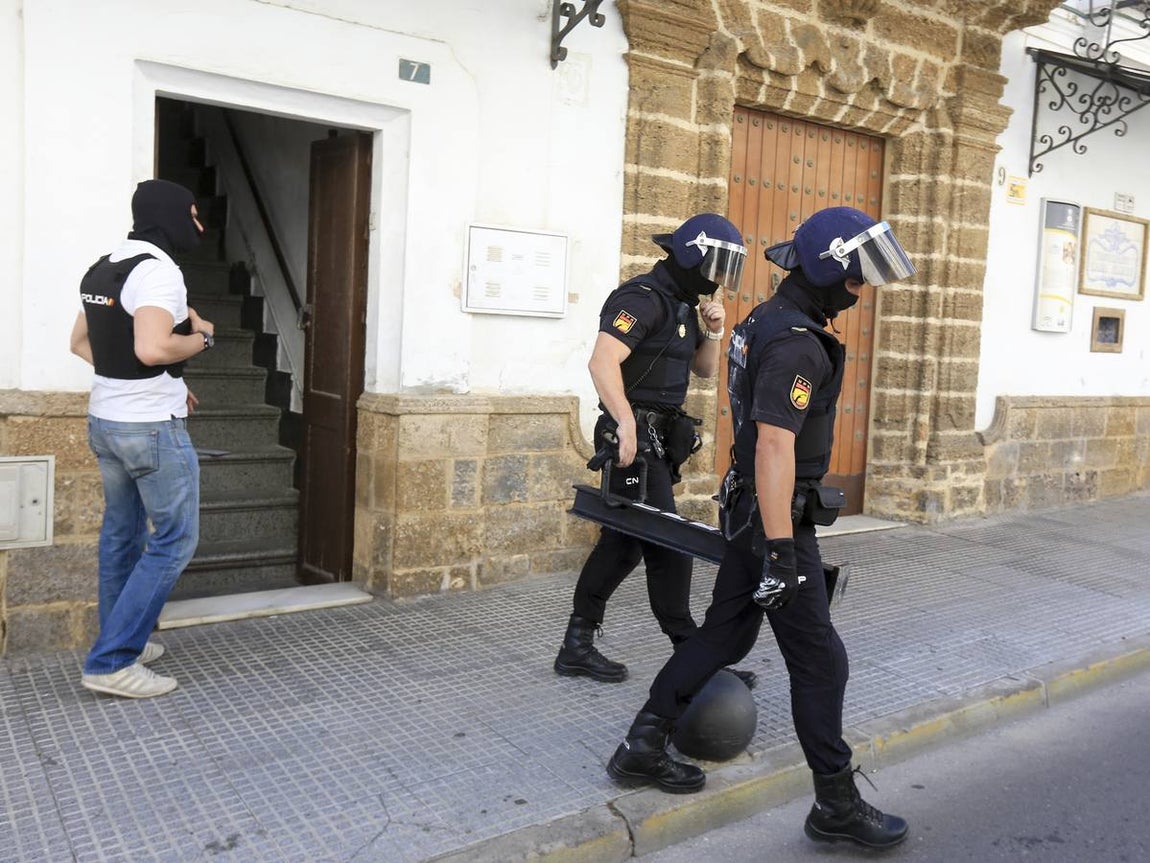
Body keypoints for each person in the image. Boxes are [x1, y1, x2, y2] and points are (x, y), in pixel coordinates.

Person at [605, 207, 917, 850]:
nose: (860, 291)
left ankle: (643, 743)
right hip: (775, 519)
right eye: (855, 278)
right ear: (830, 271)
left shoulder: (763, 321)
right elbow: (775, 443)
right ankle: (834, 801)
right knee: (821, 662)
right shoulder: (798, 340)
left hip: (752, 508)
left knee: (724, 635)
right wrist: (780, 551)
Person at [554, 214, 753, 685]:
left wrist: (715, 331)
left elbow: (704, 370)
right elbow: (602, 363)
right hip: (633, 443)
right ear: (691, 257)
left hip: (658, 444)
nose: (717, 279)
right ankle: (693, 657)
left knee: (623, 545)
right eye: (714, 266)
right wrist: (624, 423)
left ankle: (576, 646)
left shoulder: (684, 305)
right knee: (670, 546)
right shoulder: (641, 299)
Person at [69, 179, 215, 699]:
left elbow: (81, 343)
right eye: (194, 215)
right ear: (172, 216)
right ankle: (112, 661)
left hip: (106, 422)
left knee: (122, 535)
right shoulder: (159, 273)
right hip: (150, 430)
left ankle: (120, 639)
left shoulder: (104, 265)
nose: (198, 225)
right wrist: (204, 336)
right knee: (175, 540)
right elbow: (154, 348)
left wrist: (161, 383)